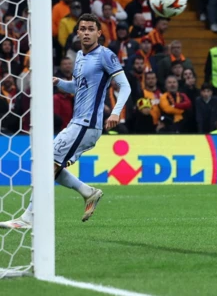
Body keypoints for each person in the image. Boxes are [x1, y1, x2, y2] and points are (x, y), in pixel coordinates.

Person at [1, 14, 131, 229]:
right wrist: (59, 82)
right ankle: (88, 192)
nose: (87, 32)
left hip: (87, 124)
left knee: (46, 165)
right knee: (49, 164)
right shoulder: (79, 55)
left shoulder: (105, 55)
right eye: (83, 29)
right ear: (77, 32)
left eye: (91, 29)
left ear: (99, 33)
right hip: (76, 123)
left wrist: (116, 112)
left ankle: (29, 218)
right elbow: (76, 87)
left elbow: (125, 86)